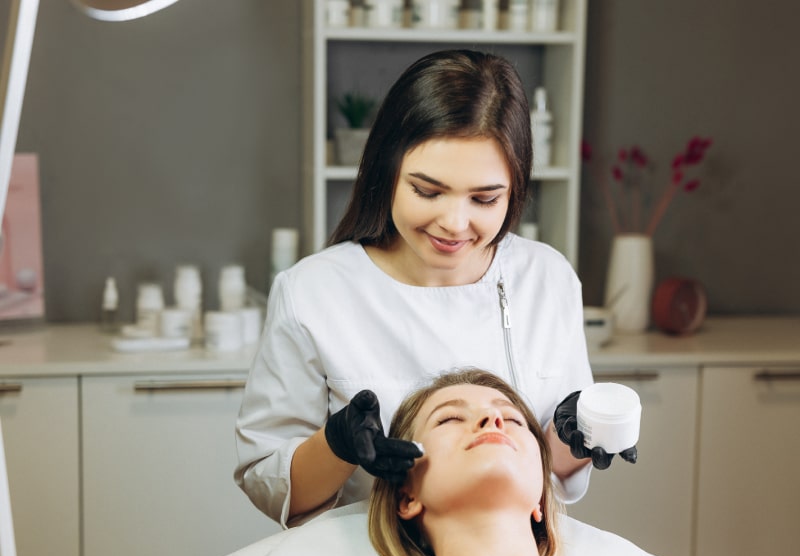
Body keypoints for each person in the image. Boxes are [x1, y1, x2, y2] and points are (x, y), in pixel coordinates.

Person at [235, 49, 634, 529]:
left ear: (513, 191)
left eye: (484, 199)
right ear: (387, 172)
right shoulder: (313, 293)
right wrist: (336, 446)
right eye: (427, 191)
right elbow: (269, 484)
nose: (454, 223)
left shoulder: (547, 279)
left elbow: (546, 478)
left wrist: (575, 440)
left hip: (514, 554)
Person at [300, 369, 746, 556]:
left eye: (513, 419)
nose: (492, 420)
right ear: (407, 497)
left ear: (541, 497)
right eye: (450, 418)